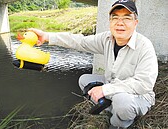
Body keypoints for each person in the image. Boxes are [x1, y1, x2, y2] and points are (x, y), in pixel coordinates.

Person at [29, 0, 158, 128]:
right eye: (115, 18)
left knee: (122, 102)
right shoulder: (107, 39)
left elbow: (144, 84)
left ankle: (119, 123)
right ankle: (114, 109)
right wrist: (47, 37)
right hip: (113, 85)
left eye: (126, 18)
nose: (120, 23)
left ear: (135, 23)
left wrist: (105, 90)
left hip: (137, 95)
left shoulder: (144, 46)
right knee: (84, 80)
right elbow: (80, 41)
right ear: (110, 22)